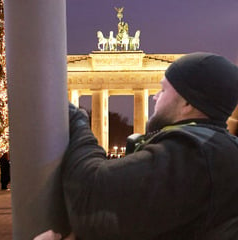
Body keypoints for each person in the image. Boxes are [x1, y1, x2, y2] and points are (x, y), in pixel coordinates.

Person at [41, 52, 238, 239]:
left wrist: (77, 121)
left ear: (187, 103)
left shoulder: (195, 152)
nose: (155, 96)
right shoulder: (216, 148)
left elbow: (90, 198)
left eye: (163, 90)